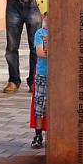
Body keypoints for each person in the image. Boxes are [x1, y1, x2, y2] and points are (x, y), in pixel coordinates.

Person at [30, 12, 48, 148]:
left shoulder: (61, 32)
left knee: (54, 107)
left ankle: (52, 134)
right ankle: (38, 134)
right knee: (39, 105)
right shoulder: (40, 33)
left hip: (57, 75)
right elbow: (40, 53)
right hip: (42, 74)